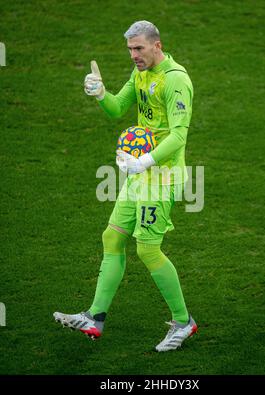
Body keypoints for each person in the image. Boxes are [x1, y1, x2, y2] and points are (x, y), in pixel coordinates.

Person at [54, 20, 197, 352]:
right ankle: (94, 317)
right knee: (112, 236)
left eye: (139, 48)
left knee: (148, 250)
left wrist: (144, 161)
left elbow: (179, 135)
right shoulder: (141, 74)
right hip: (140, 175)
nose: (134, 55)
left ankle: (183, 322)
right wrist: (101, 93)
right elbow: (118, 108)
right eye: (130, 49)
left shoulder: (175, 80)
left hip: (162, 179)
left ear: (157, 45)